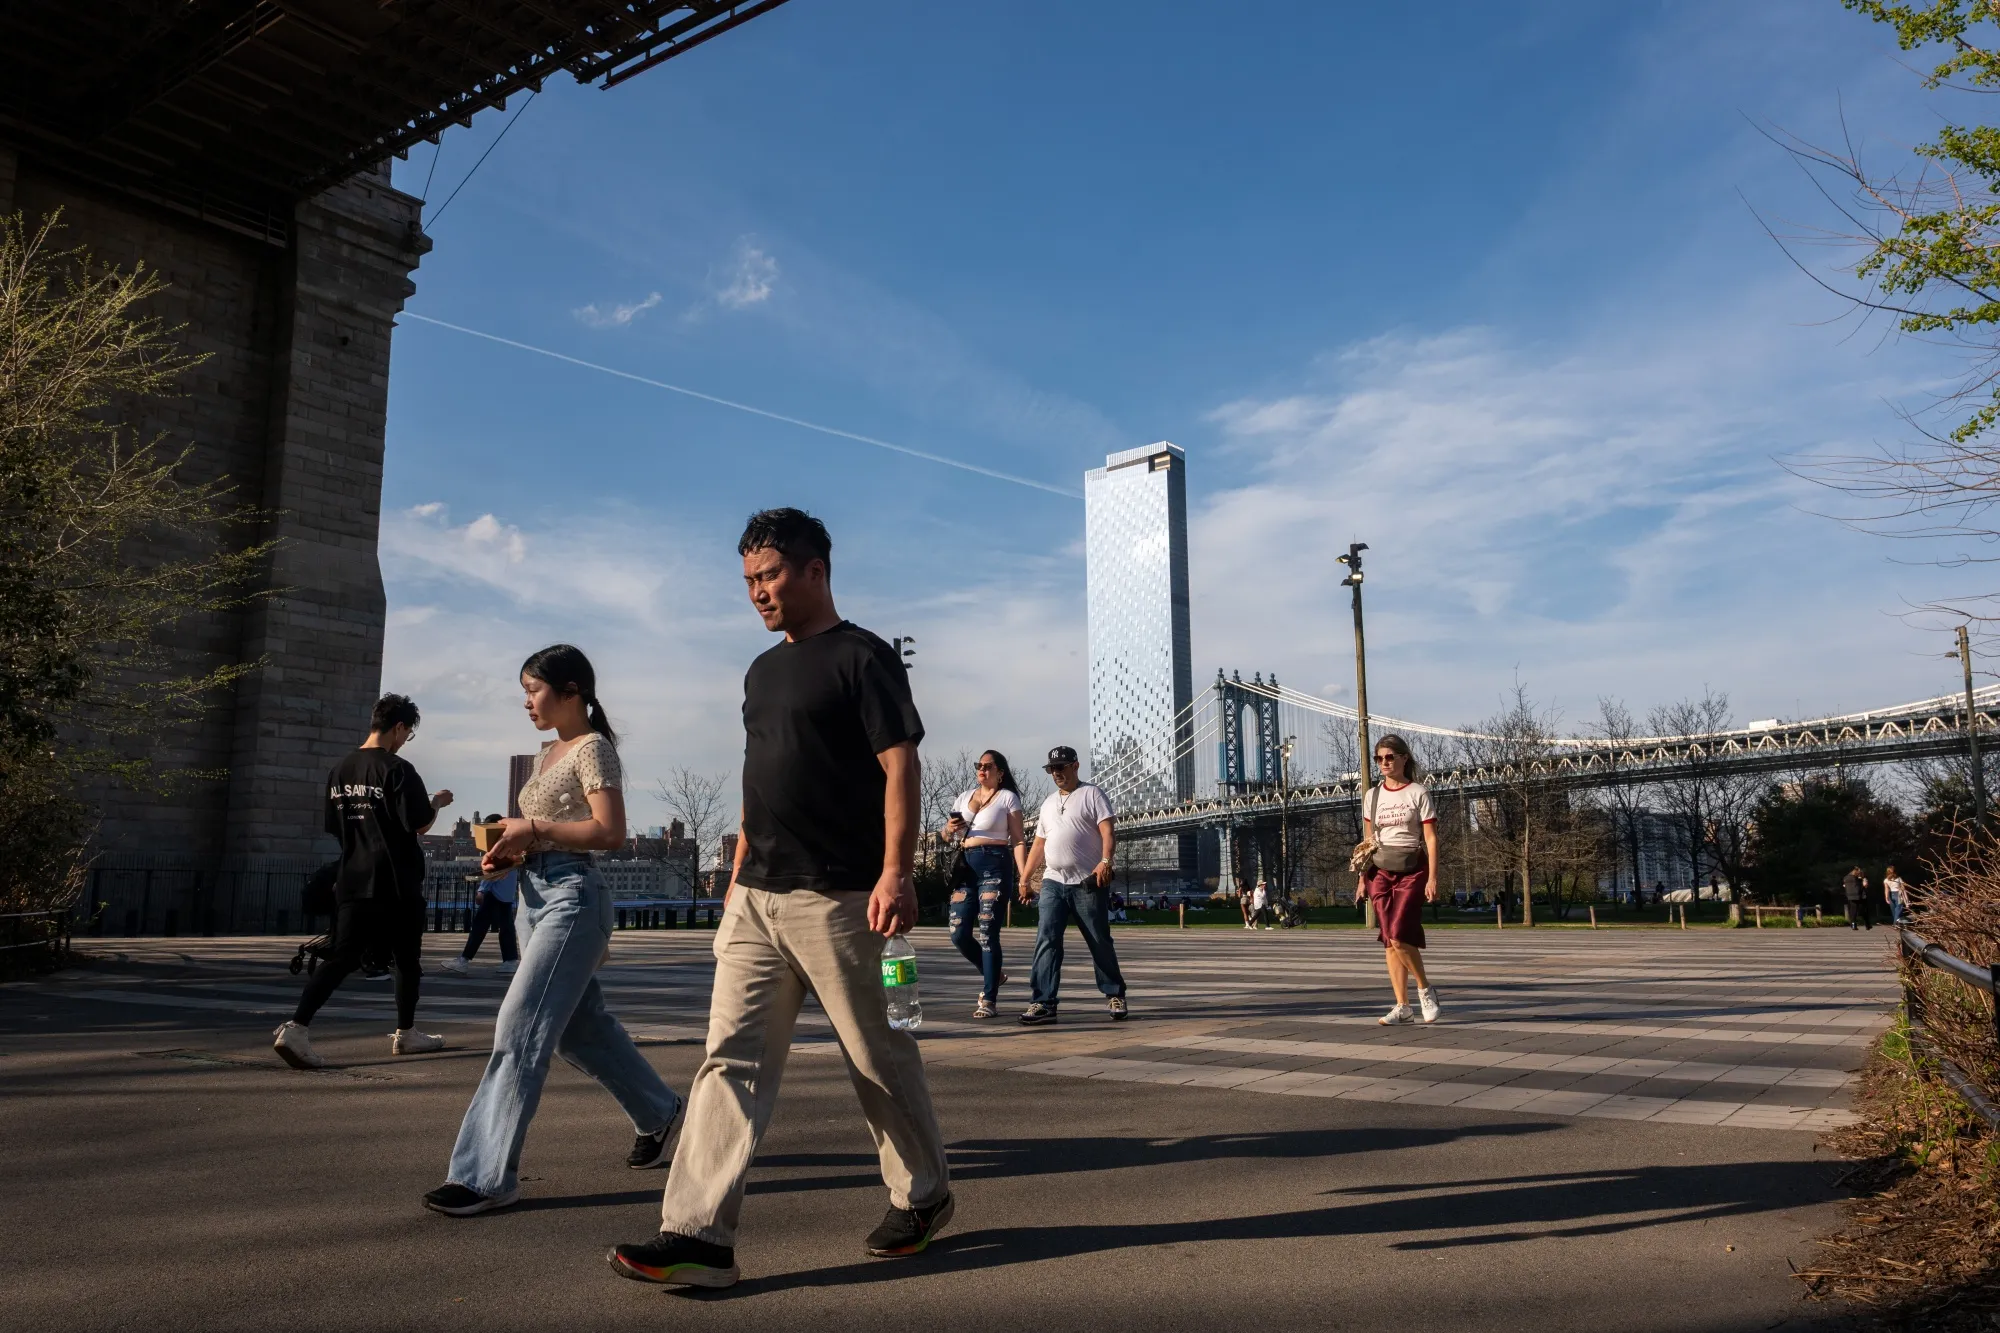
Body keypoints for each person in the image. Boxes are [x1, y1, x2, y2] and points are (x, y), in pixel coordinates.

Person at [608, 509, 951, 1289]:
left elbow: (901, 769)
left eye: (768, 575)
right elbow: (755, 778)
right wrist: (732, 878)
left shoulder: (864, 658)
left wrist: (897, 872)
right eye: (748, 581)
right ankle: (697, 1234)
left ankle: (925, 1193)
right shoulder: (760, 672)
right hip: (756, 899)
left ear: (814, 570)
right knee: (726, 1061)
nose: (756, 592)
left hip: (846, 900)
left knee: (880, 1055)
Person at [422, 645, 685, 1217]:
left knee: (520, 1028)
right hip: (532, 896)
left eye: (533, 689)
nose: (526, 701)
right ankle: (661, 1113)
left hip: (573, 899)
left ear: (571, 692)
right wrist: (509, 854)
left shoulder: (593, 749)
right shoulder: (548, 754)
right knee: (579, 1028)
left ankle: (484, 1177)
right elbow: (544, 834)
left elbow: (610, 832)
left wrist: (534, 825)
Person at [273, 694, 452, 1069]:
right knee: (406, 959)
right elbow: (420, 823)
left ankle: (297, 1027)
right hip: (396, 879)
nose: (405, 740)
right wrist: (436, 802)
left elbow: (335, 827)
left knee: (343, 956)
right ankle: (406, 1034)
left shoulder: (340, 770)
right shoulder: (398, 769)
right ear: (400, 727)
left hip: (353, 876)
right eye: (407, 733)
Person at [1017, 745, 1128, 1026]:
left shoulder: (1093, 794)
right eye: (1052, 769)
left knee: (1098, 939)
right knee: (1047, 939)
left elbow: (1108, 831)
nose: (1056, 773)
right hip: (1053, 881)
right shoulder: (1047, 803)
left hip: (1086, 882)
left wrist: (1105, 861)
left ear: (1075, 766)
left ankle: (1114, 993)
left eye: (1062, 767)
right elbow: (1038, 844)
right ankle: (1043, 1002)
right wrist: (1025, 877)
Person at [1358, 735, 1441, 1025]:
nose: (1384, 763)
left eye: (1390, 757)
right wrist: (1361, 878)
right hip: (1379, 871)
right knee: (1389, 942)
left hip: (1411, 868)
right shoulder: (1372, 795)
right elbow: (1369, 840)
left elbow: (1430, 838)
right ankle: (1402, 1006)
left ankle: (1425, 989)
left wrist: (1433, 877)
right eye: (1379, 758)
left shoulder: (1418, 792)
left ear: (1404, 758)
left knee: (1398, 934)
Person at [943, 750, 1027, 1019]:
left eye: (988, 766)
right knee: (958, 933)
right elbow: (946, 836)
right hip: (965, 867)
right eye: (979, 765)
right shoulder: (964, 797)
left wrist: (1024, 876)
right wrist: (948, 829)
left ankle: (989, 998)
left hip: (994, 864)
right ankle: (995, 974)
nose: (982, 770)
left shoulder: (1007, 798)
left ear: (1000, 772)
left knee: (988, 931)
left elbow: (1019, 841)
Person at [441, 864, 519, 976]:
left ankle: (464, 960)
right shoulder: (514, 852)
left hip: (494, 893)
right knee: (506, 928)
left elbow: (492, 870)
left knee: (479, 928)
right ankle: (510, 961)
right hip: (507, 894)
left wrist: (481, 890)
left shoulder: (499, 851)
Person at [1842, 866, 1873, 930]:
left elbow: (1844, 886)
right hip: (1860, 896)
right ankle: (1867, 924)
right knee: (1864, 911)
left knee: (1853, 911)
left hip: (1850, 896)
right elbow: (1862, 886)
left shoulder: (1846, 878)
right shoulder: (1858, 879)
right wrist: (1864, 885)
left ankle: (1853, 925)